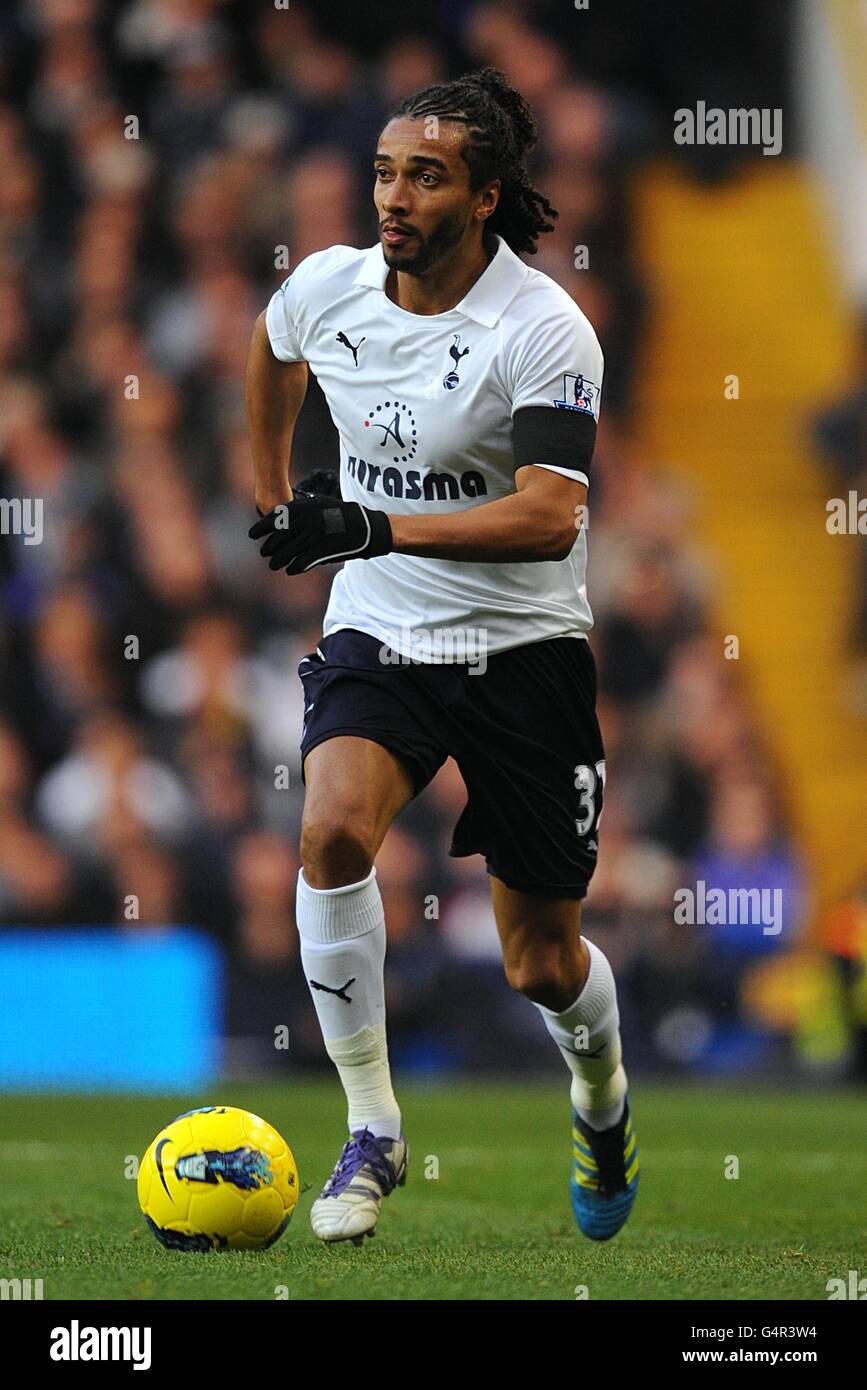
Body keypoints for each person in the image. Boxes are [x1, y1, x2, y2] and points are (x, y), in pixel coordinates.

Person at [245, 67, 638, 1245]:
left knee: (543, 963)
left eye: (424, 176)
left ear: (485, 196)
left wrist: (365, 522)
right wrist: (274, 500)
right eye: (382, 172)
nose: (393, 197)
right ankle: (373, 1127)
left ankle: (602, 1096)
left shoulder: (543, 327)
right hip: (383, 630)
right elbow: (271, 353)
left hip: (525, 652)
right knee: (328, 831)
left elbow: (550, 517)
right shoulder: (330, 287)